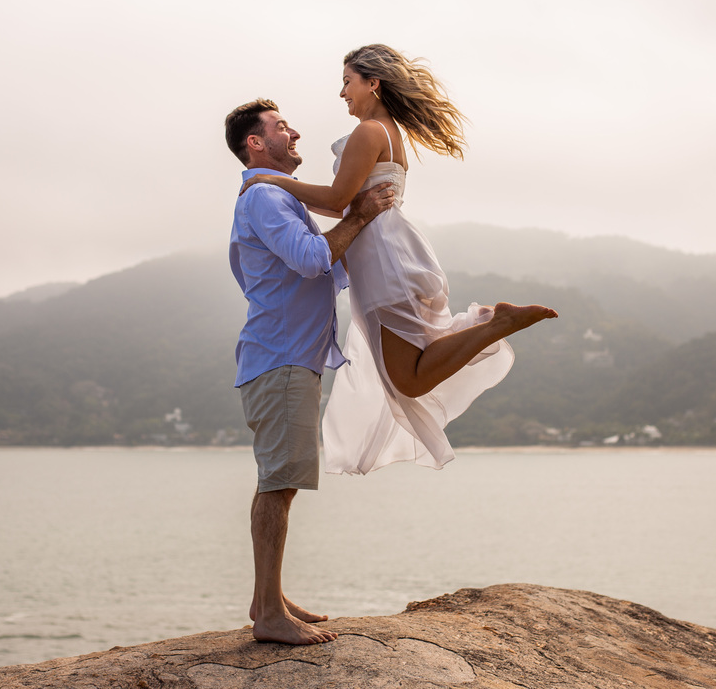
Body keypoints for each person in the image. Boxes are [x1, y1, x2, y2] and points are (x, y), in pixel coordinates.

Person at [241, 44, 558, 475]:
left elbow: (336, 199)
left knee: (407, 379)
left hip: (384, 259)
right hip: (385, 256)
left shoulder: (371, 132)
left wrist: (270, 180)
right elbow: (342, 207)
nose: (342, 94)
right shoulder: (383, 131)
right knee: (407, 375)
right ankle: (487, 321)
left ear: (373, 83)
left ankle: (495, 322)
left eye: (347, 83)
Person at [225, 98, 395, 646]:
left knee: (282, 482)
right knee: (278, 484)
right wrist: (360, 215)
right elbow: (312, 259)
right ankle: (269, 617)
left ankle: (265, 598)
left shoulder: (276, 197)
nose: (292, 132)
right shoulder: (269, 196)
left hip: (285, 356)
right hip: (280, 358)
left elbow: (321, 260)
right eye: (279, 127)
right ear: (256, 143)